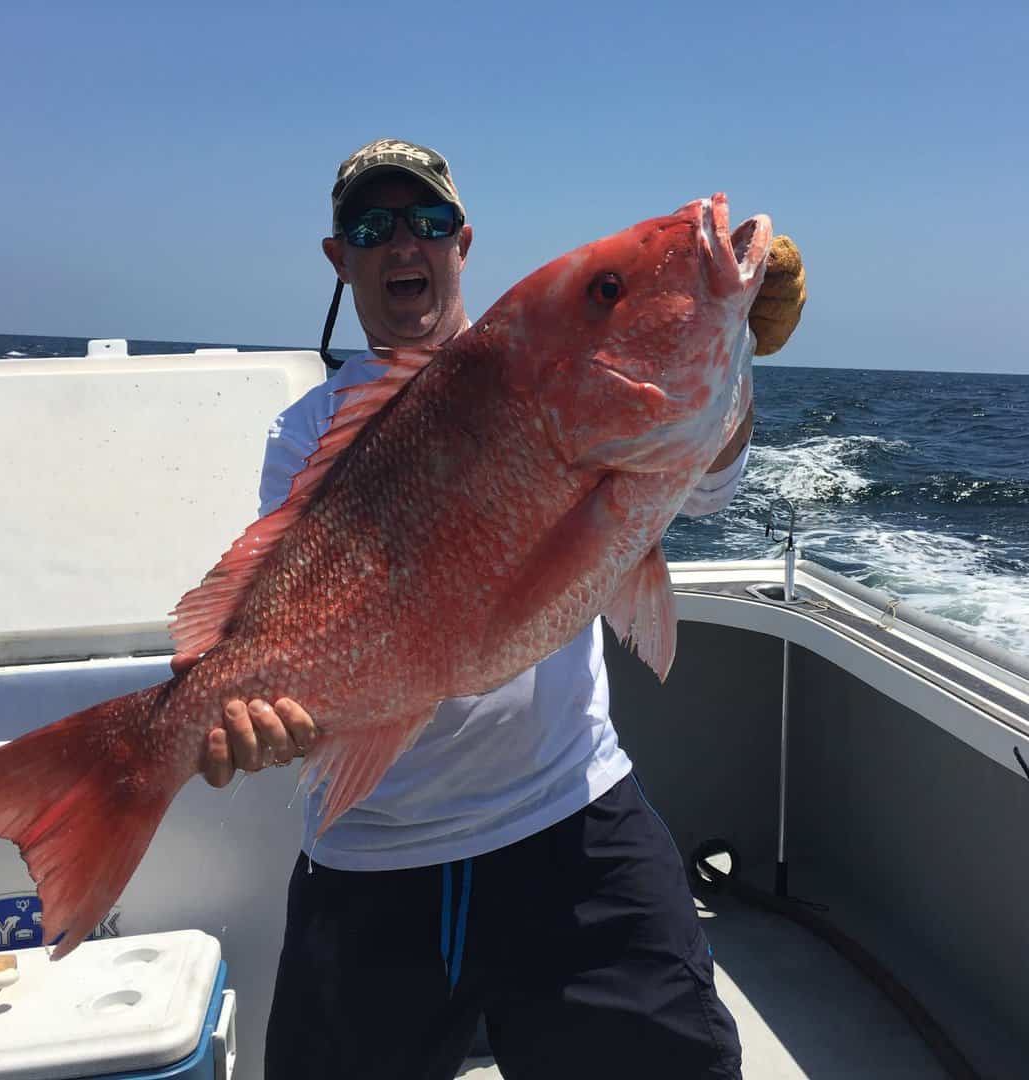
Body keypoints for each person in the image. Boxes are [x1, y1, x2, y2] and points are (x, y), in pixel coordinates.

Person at [198, 139, 806, 1079]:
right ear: (340, 258)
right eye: (374, 226)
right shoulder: (307, 433)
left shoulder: (552, 371)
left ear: (462, 242)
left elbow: (710, 484)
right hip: (374, 856)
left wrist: (732, 345)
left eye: (430, 222)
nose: (407, 243)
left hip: (571, 817)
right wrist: (256, 715)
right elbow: (293, 617)